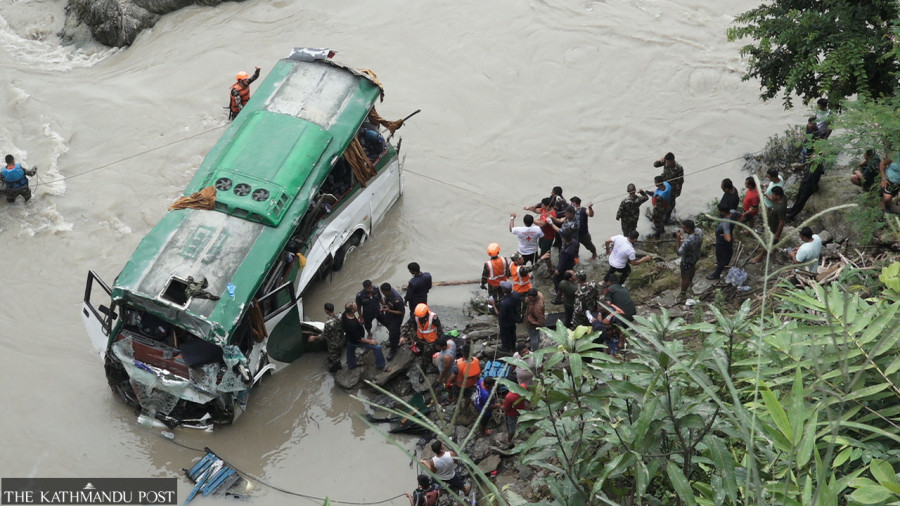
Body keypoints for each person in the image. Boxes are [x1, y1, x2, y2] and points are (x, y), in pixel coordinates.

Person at [342, 302, 391, 372]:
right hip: (357, 340)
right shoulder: (352, 324)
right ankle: (381, 366)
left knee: (350, 349)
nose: (357, 306)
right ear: (352, 310)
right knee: (377, 347)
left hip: (349, 337)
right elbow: (359, 339)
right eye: (356, 306)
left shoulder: (345, 314)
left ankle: (352, 364)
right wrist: (370, 341)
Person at [600, 272, 637, 356]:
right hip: (632, 314)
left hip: (623, 316)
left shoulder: (609, 289)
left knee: (606, 312)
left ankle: (620, 339)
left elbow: (607, 304)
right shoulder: (623, 288)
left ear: (609, 282)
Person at [752, 186, 788, 263]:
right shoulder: (782, 198)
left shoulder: (780, 208)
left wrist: (777, 234)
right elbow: (772, 199)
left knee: (768, 242)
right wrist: (765, 194)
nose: (772, 195)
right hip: (772, 224)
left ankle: (760, 257)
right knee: (774, 241)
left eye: (773, 194)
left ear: (778, 196)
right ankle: (773, 252)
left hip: (774, 228)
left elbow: (781, 222)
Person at [306, 303, 344, 372]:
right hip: (341, 339)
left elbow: (324, 335)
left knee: (334, 355)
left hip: (333, 343)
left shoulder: (328, 323)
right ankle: (337, 358)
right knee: (338, 351)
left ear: (326, 311)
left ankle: (337, 365)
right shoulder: (340, 316)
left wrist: (314, 337)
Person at [524, 198, 558, 274]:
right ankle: (543, 254)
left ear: (548, 206)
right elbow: (537, 210)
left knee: (545, 254)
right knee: (540, 246)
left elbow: (542, 224)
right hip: (542, 235)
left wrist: (531, 220)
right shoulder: (544, 209)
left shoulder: (552, 215)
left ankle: (550, 269)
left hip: (548, 237)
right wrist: (529, 208)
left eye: (543, 205)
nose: (541, 205)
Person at [708, 204, 741, 279]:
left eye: (719, 210)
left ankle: (716, 274)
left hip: (722, 241)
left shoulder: (726, 222)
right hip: (729, 234)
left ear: (722, 212)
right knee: (729, 250)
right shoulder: (734, 212)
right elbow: (741, 215)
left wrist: (725, 235)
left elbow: (728, 238)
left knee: (720, 257)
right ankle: (726, 262)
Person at [675, 220, 703, 300]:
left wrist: (678, 240)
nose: (683, 229)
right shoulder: (699, 231)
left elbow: (679, 252)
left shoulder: (688, 241)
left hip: (687, 260)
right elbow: (691, 240)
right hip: (696, 256)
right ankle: (690, 281)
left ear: (688, 229)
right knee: (692, 268)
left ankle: (683, 293)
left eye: (684, 228)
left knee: (685, 277)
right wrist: (684, 240)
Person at [489, 281, 521, 352]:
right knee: (512, 333)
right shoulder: (516, 295)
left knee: (504, 335)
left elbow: (499, 314)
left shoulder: (505, 304)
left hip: (505, 322)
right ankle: (513, 346)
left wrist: (493, 304)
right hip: (513, 319)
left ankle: (506, 348)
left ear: (503, 290)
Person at [654, 152, 684, 222]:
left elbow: (680, 182)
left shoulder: (678, 168)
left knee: (671, 203)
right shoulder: (665, 161)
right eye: (666, 162)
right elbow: (655, 165)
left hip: (673, 185)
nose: (667, 163)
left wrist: (677, 192)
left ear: (672, 160)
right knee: (660, 196)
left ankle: (667, 218)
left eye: (668, 162)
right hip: (664, 181)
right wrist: (659, 160)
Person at [379, 282, 406, 360]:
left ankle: (394, 349)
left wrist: (389, 310)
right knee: (392, 332)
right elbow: (387, 302)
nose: (382, 293)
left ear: (387, 291)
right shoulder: (388, 294)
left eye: (383, 292)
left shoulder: (397, 299)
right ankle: (393, 342)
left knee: (393, 334)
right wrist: (384, 307)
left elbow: (402, 312)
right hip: (390, 315)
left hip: (396, 319)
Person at [551, 230, 580, 302]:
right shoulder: (575, 242)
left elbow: (562, 263)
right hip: (572, 263)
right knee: (566, 277)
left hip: (564, 267)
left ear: (564, 238)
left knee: (556, 279)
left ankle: (559, 295)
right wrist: (576, 260)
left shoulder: (566, 252)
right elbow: (576, 254)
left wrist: (558, 270)